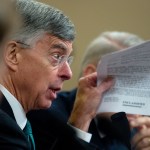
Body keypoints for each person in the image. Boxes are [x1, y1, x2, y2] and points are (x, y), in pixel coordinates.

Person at [0, 0, 113, 149]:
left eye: (68, 60)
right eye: (57, 56)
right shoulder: (4, 128)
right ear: (13, 55)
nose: (68, 74)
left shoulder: (19, 122)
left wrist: (82, 117)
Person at [28, 31, 150, 150]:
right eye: (127, 82)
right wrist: (81, 121)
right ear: (92, 75)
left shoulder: (136, 133)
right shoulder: (45, 113)